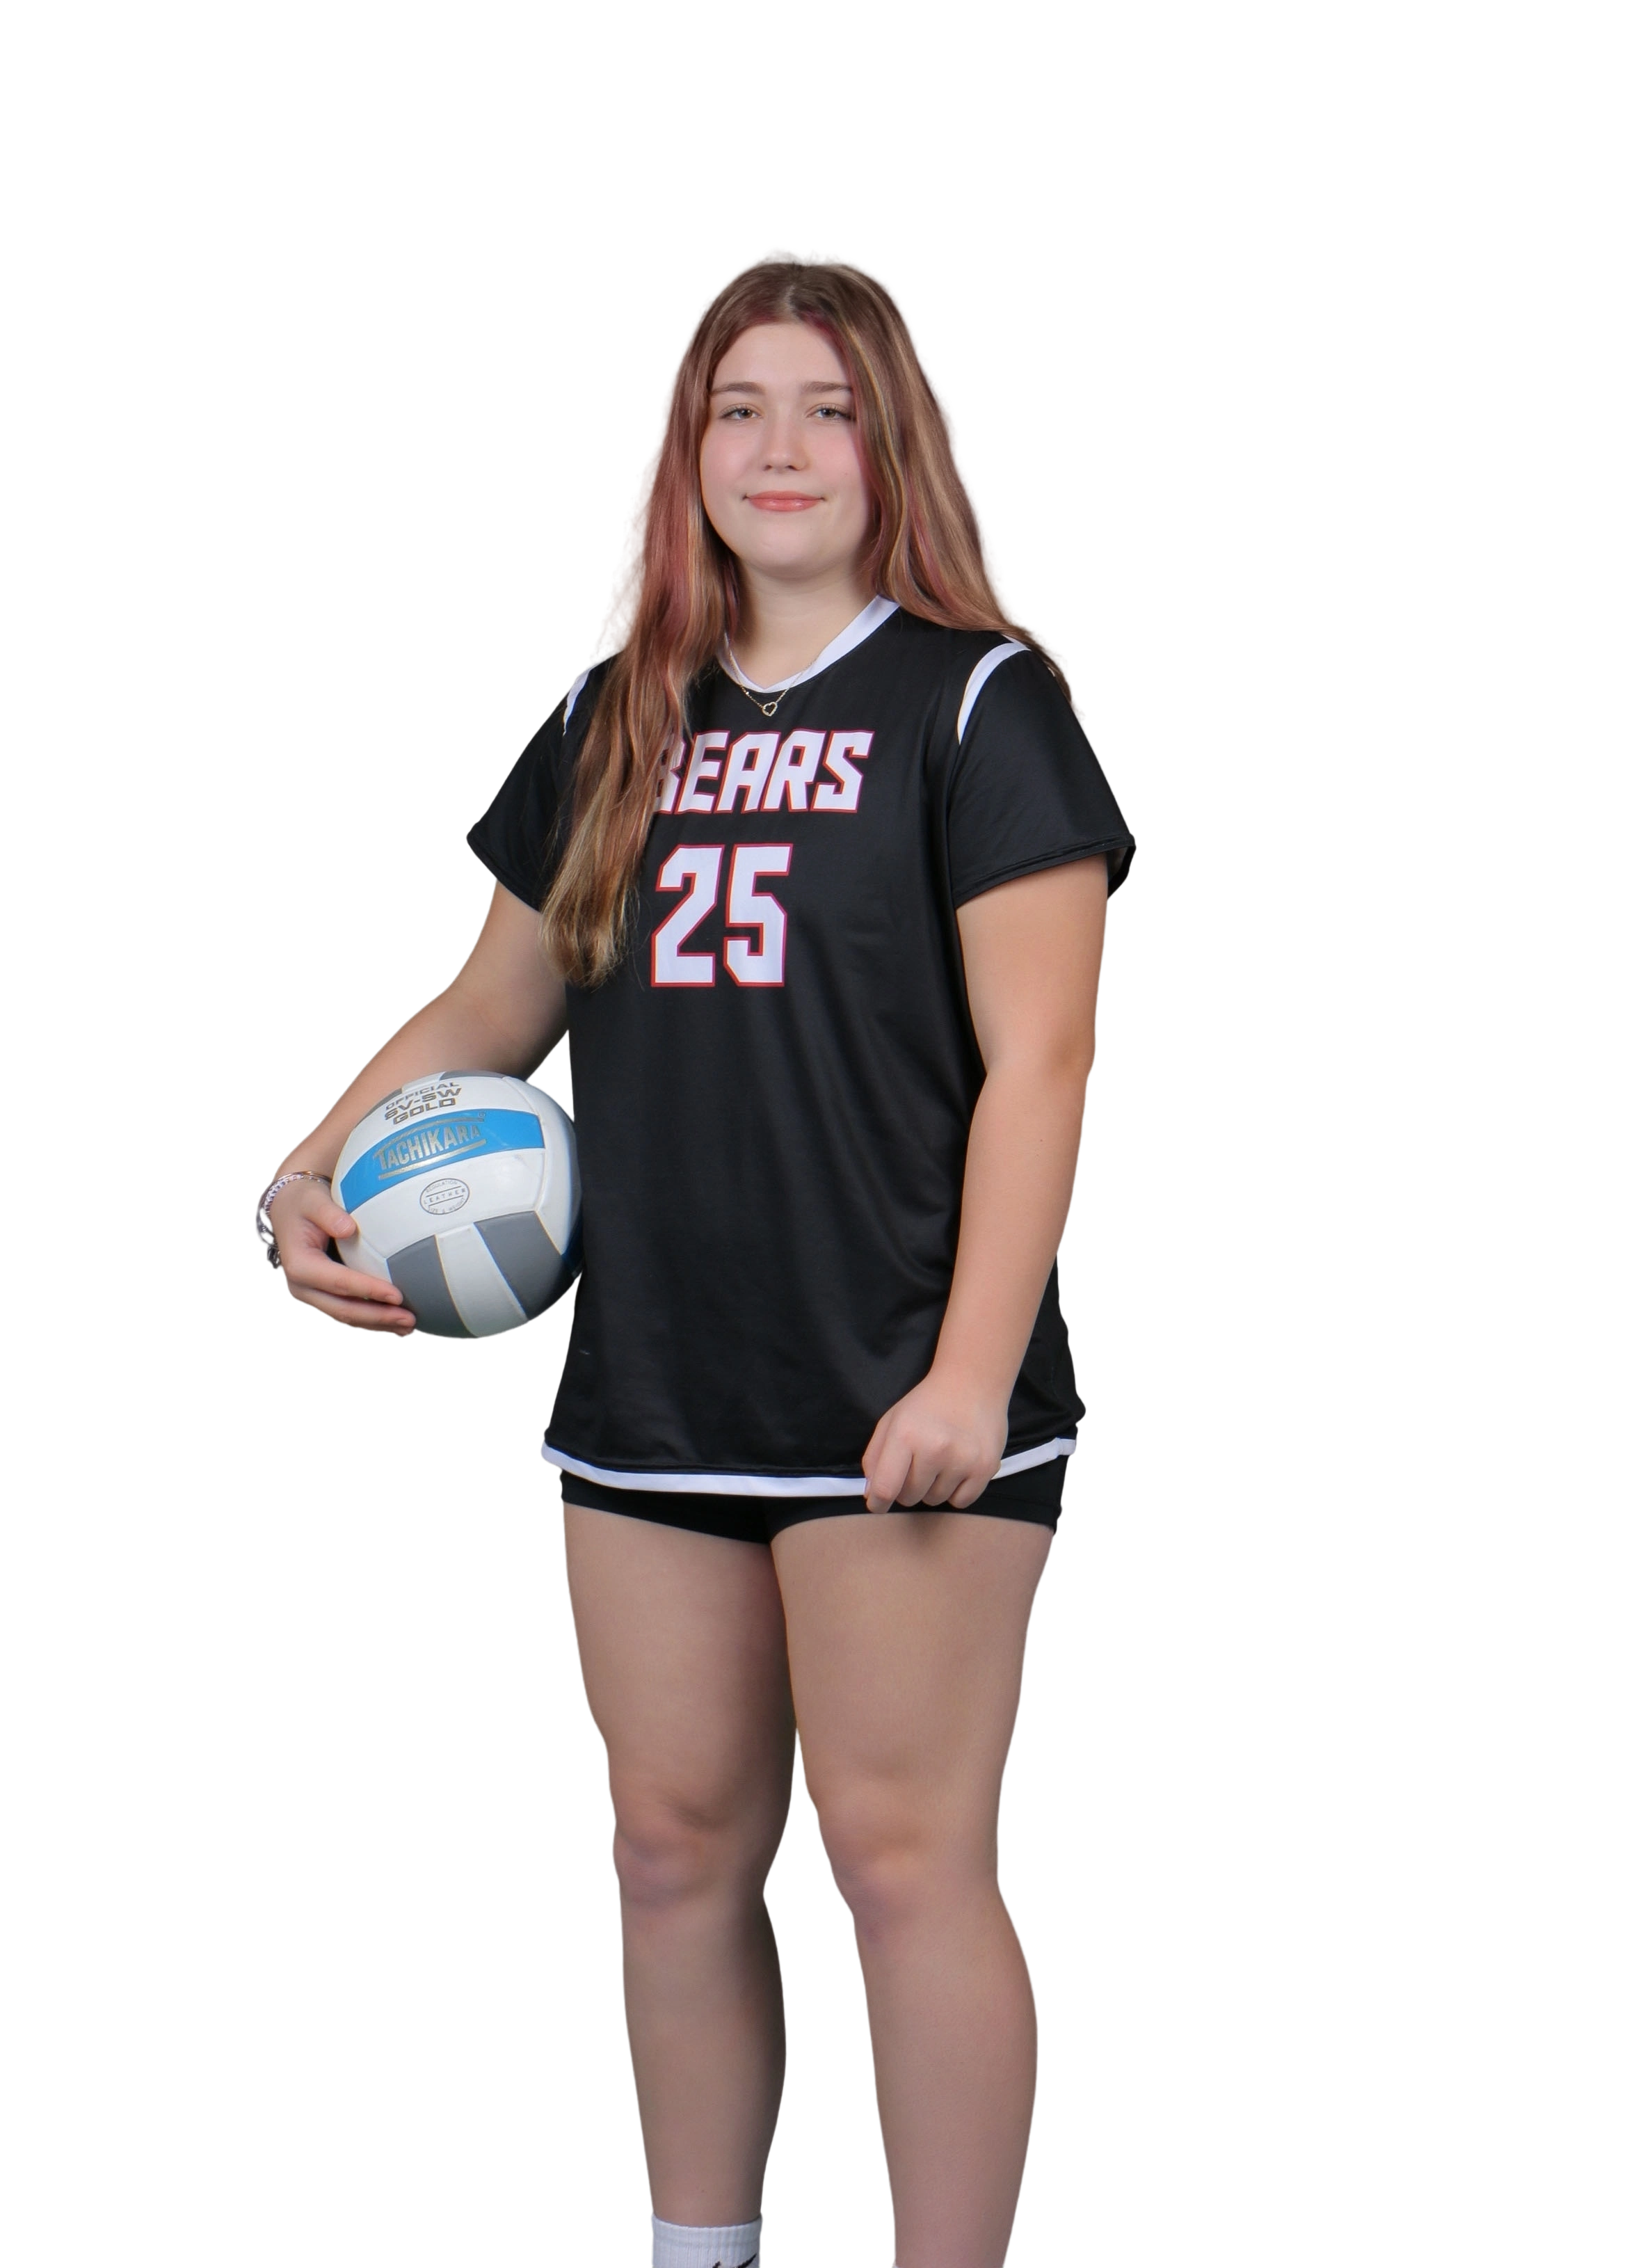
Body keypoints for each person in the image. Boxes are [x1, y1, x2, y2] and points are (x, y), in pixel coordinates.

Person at [255, 245, 1137, 2268]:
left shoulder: (981, 703)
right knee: (668, 1852)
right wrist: (305, 1168)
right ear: (689, 448)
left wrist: (969, 1376)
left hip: (901, 1386)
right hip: (653, 1382)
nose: (781, 447)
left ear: (898, 444)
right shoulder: (615, 709)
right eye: (740, 409)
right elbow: (494, 1009)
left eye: (830, 408)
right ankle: (697, 2250)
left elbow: (1043, 1062)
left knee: (906, 1864)